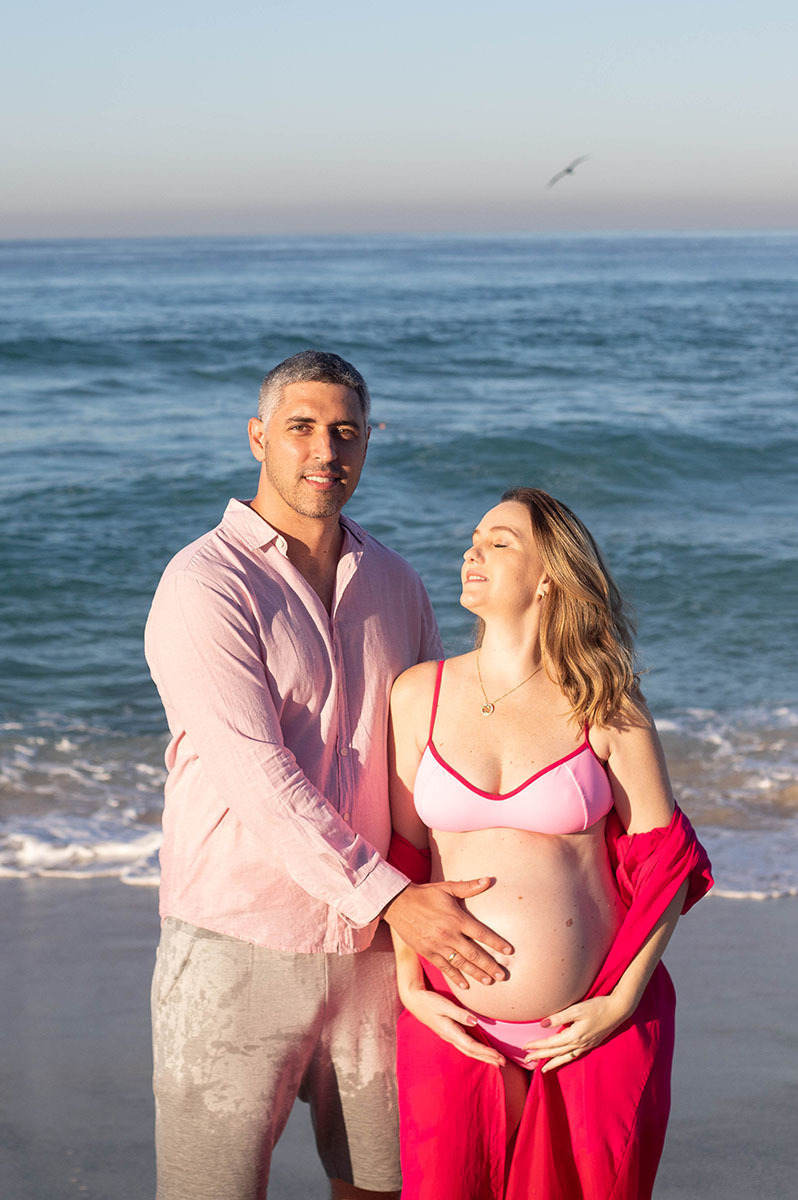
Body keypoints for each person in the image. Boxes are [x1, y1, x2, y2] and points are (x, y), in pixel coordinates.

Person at [144, 350, 512, 1200]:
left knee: (387, 1187)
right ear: (258, 437)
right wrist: (393, 896)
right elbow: (255, 773)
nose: (325, 451)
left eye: (346, 432)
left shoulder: (396, 582)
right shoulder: (205, 583)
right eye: (302, 428)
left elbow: (434, 751)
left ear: (367, 443)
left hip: (383, 959)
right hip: (236, 947)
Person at [388, 486, 713, 1200]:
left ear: (548, 576)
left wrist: (620, 1004)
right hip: (456, 1025)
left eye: (499, 541)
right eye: (473, 537)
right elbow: (404, 862)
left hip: (588, 1032)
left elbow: (669, 864)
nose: (472, 550)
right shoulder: (418, 694)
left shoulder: (604, 701)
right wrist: (411, 988)